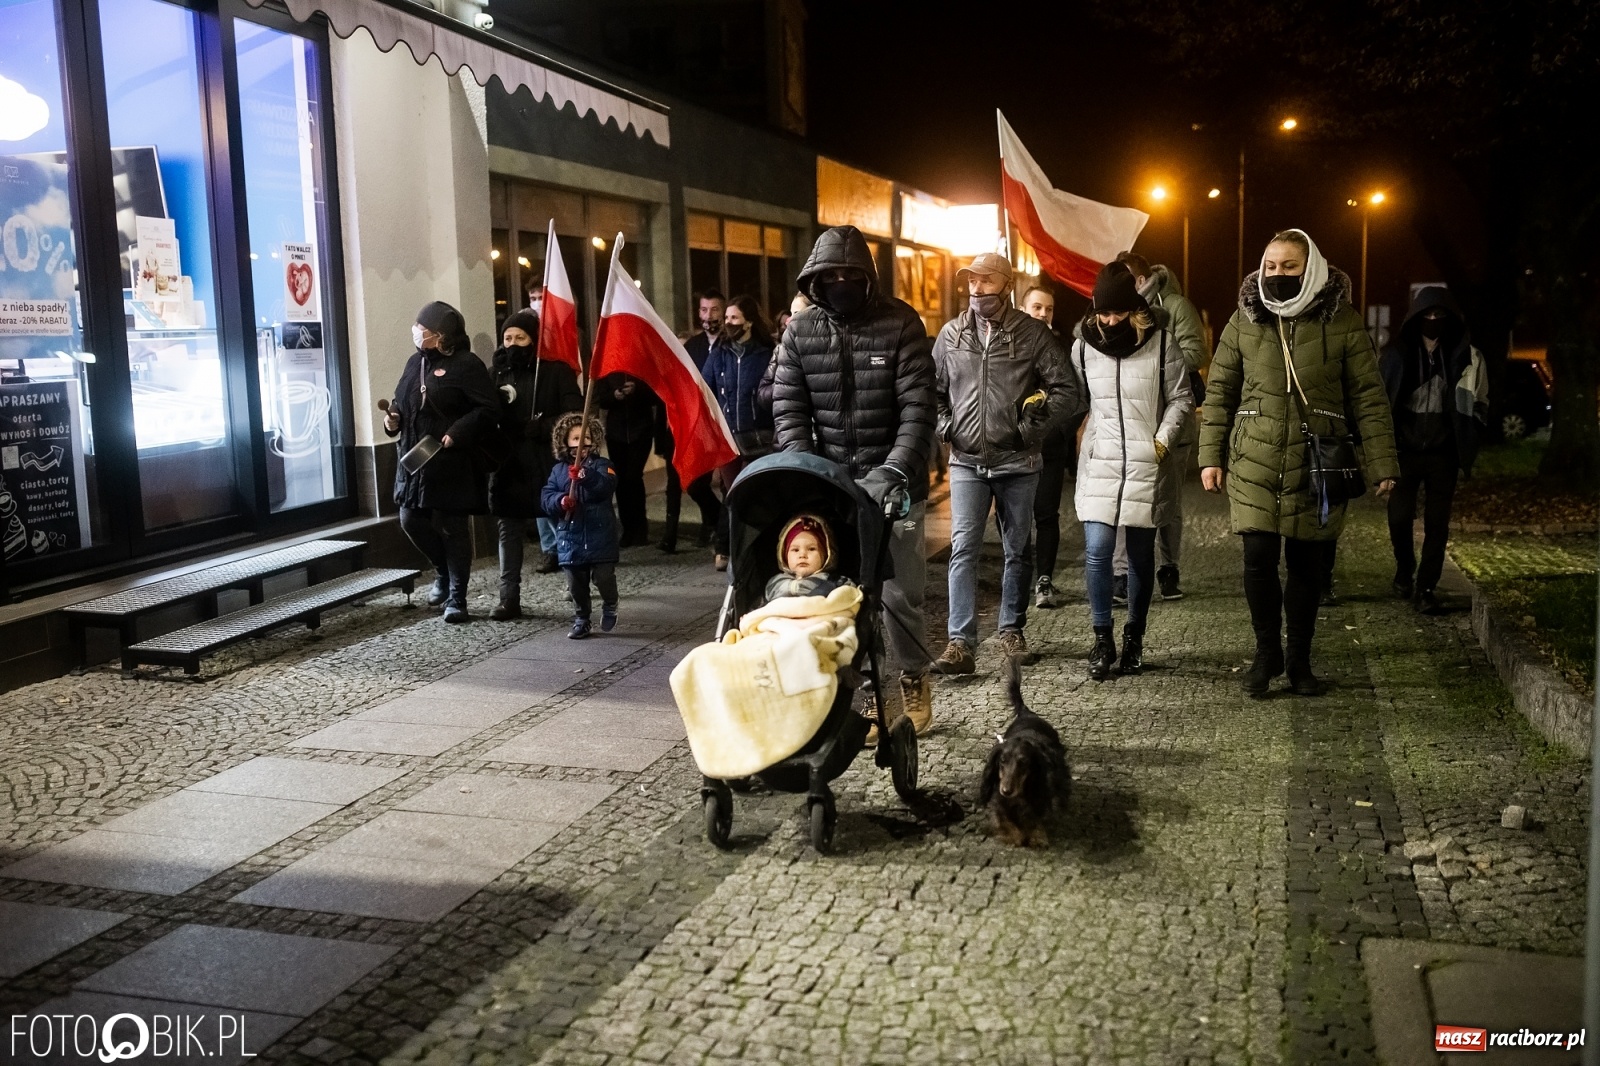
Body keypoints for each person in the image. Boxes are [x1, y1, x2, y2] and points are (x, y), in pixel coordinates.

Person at [1199, 229, 1399, 696]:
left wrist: (1384, 463)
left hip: (1318, 464)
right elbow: (1221, 392)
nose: (1277, 274)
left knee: (1309, 567)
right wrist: (1211, 456)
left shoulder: (1343, 321)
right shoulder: (1244, 320)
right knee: (1259, 560)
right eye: (1270, 266)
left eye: (1289, 267)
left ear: (1311, 269)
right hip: (1255, 459)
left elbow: (1369, 396)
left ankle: (1300, 660)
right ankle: (1266, 654)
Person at [772, 225, 937, 736]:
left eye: (850, 274)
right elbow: (790, 409)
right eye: (831, 275)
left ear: (867, 277)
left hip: (894, 483)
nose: (840, 282)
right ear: (815, 280)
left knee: (896, 591)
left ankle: (912, 678)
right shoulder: (800, 333)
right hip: (834, 485)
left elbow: (918, 407)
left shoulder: (900, 323)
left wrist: (895, 469)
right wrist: (807, 470)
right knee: (841, 593)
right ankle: (865, 689)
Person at [933, 253, 1080, 673]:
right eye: (971, 282)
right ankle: (960, 643)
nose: (976, 289)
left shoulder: (1032, 334)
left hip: (1018, 462)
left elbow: (1066, 390)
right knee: (963, 549)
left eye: (986, 281)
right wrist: (947, 426)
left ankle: (1011, 629)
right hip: (966, 462)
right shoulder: (950, 335)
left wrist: (1031, 429)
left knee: (1018, 548)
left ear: (1006, 284)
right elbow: (934, 391)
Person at [1072, 265, 1194, 680]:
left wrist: (1161, 441)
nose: (1109, 321)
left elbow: (1181, 399)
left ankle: (1134, 638)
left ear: (1135, 308)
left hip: (1146, 462)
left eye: (1117, 313)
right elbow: (1080, 400)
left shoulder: (1162, 345)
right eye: (1102, 313)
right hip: (1101, 461)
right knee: (1098, 549)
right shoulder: (1083, 348)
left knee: (1141, 558)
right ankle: (1102, 637)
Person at [383, 301, 498, 624]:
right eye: (417, 329)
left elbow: (488, 409)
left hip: (451, 459)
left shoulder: (467, 364)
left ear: (441, 335)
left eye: (423, 330)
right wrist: (392, 421)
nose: (417, 334)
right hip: (415, 458)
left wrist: (458, 431)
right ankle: (442, 572)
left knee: (453, 528)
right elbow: (401, 402)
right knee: (410, 520)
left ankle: (457, 598)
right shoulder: (413, 363)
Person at [1380, 285, 1488, 613]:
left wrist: (1469, 441)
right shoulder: (1397, 354)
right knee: (1399, 517)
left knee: (1437, 524)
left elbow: (1479, 402)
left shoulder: (1465, 355)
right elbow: (1380, 402)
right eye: (1426, 314)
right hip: (1405, 451)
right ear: (1415, 317)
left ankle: (1426, 587)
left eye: (1439, 315)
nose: (1432, 320)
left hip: (1443, 452)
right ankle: (1404, 567)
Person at [1109, 251, 1208, 602]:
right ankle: (1121, 574)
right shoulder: (1113, 310)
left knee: (1169, 501)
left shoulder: (1177, 306)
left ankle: (1169, 569)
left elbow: (1198, 353)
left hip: (1171, 421)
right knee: (1124, 498)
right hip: (1130, 421)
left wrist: (1157, 359)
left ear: (1138, 281)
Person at [487, 310, 583, 620]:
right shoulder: (497, 374)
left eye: (520, 338)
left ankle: (576, 586)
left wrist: (543, 428)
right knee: (509, 531)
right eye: (507, 338)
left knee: (563, 526)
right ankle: (508, 597)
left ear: (534, 340)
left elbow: (574, 416)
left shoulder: (556, 371)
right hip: (510, 465)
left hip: (547, 464)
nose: (513, 344)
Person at [702, 295, 776, 569]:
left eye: (734, 318)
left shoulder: (766, 353)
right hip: (728, 438)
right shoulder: (720, 352)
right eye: (728, 318)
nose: (729, 323)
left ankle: (759, 546)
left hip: (759, 439)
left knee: (756, 493)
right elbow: (705, 384)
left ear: (749, 322)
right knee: (733, 493)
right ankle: (727, 548)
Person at [541, 413, 620, 639]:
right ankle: (582, 618)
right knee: (576, 583)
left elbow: (607, 485)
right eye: (575, 438)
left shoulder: (603, 465)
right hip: (571, 535)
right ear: (565, 443)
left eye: (585, 437)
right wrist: (561, 501)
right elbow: (547, 496)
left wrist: (586, 476)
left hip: (599, 533)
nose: (581, 443)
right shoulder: (557, 471)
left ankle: (610, 603)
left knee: (603, 577)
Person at [1019, 284, 1073, 609]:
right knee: (1017, 517)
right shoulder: (1008, 344)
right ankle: (1019, 577)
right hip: (1015, 448)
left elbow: (1076, 396)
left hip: (1050, 448)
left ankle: (1045, 580)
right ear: (1024, 308)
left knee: (1046, 514)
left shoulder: (1063, 345)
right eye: (1037, 307)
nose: (1043, 313)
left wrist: (1057, 431)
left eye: (1048, 309)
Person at [663, 289, 726, 552]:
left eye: (713, 310)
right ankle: (721, 522)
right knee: (695, 482)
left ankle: (720, 532)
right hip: (698, 425)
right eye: (703, 310)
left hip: (725, 423)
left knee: (727, 483)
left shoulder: (729, 343)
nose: (708, 316)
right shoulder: (692, 346)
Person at [596, 372, 662, 547]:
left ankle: (640, 529)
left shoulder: (640, 364)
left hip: (641, 430)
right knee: (621, 480)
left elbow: (656, 394)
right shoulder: (608, 368)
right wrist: (614, 396)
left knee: (633, 477)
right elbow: (599, 397)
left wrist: (637, 389)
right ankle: (627, 529)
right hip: (616, 432)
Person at [764, 514, 853, 601]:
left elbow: (852, 597)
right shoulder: (774, 583)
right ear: (784, 555)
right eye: (795, 550)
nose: (802, 555)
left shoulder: (835, 582)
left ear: (826, 555)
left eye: (811, 549)